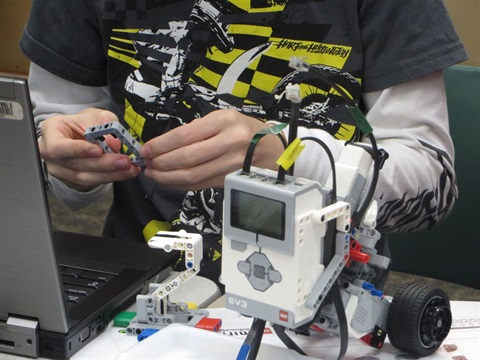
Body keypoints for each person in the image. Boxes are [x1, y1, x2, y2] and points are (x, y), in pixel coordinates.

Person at [20, 0, 467, 290]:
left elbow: (432, 187)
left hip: (327, 306)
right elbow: (52, 139)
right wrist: (70, 166)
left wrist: (287, 157)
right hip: (143, 292)